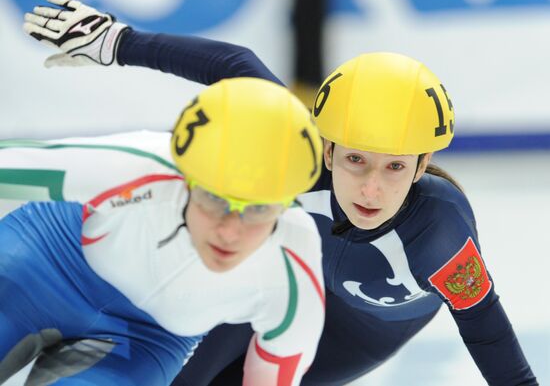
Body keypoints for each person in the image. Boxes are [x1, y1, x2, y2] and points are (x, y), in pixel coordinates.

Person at [21, 0, 537, 385]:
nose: (371, 189)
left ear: (424, 165)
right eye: (356, 159)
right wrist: (118, 42)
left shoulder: (439, 233)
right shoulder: (299, 157)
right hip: (275, 289)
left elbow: (486, 329)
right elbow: (236, 69)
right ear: (328, 150)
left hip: (358, 337)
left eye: (395, 168)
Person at [0, 76, 326, 385]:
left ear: (286, 206)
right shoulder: (141, 166)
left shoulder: (296, 260)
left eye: (258, 209)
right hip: (47, 261)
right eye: (213, 198)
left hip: (144, 340)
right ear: (185, 178)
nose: (229, 231)